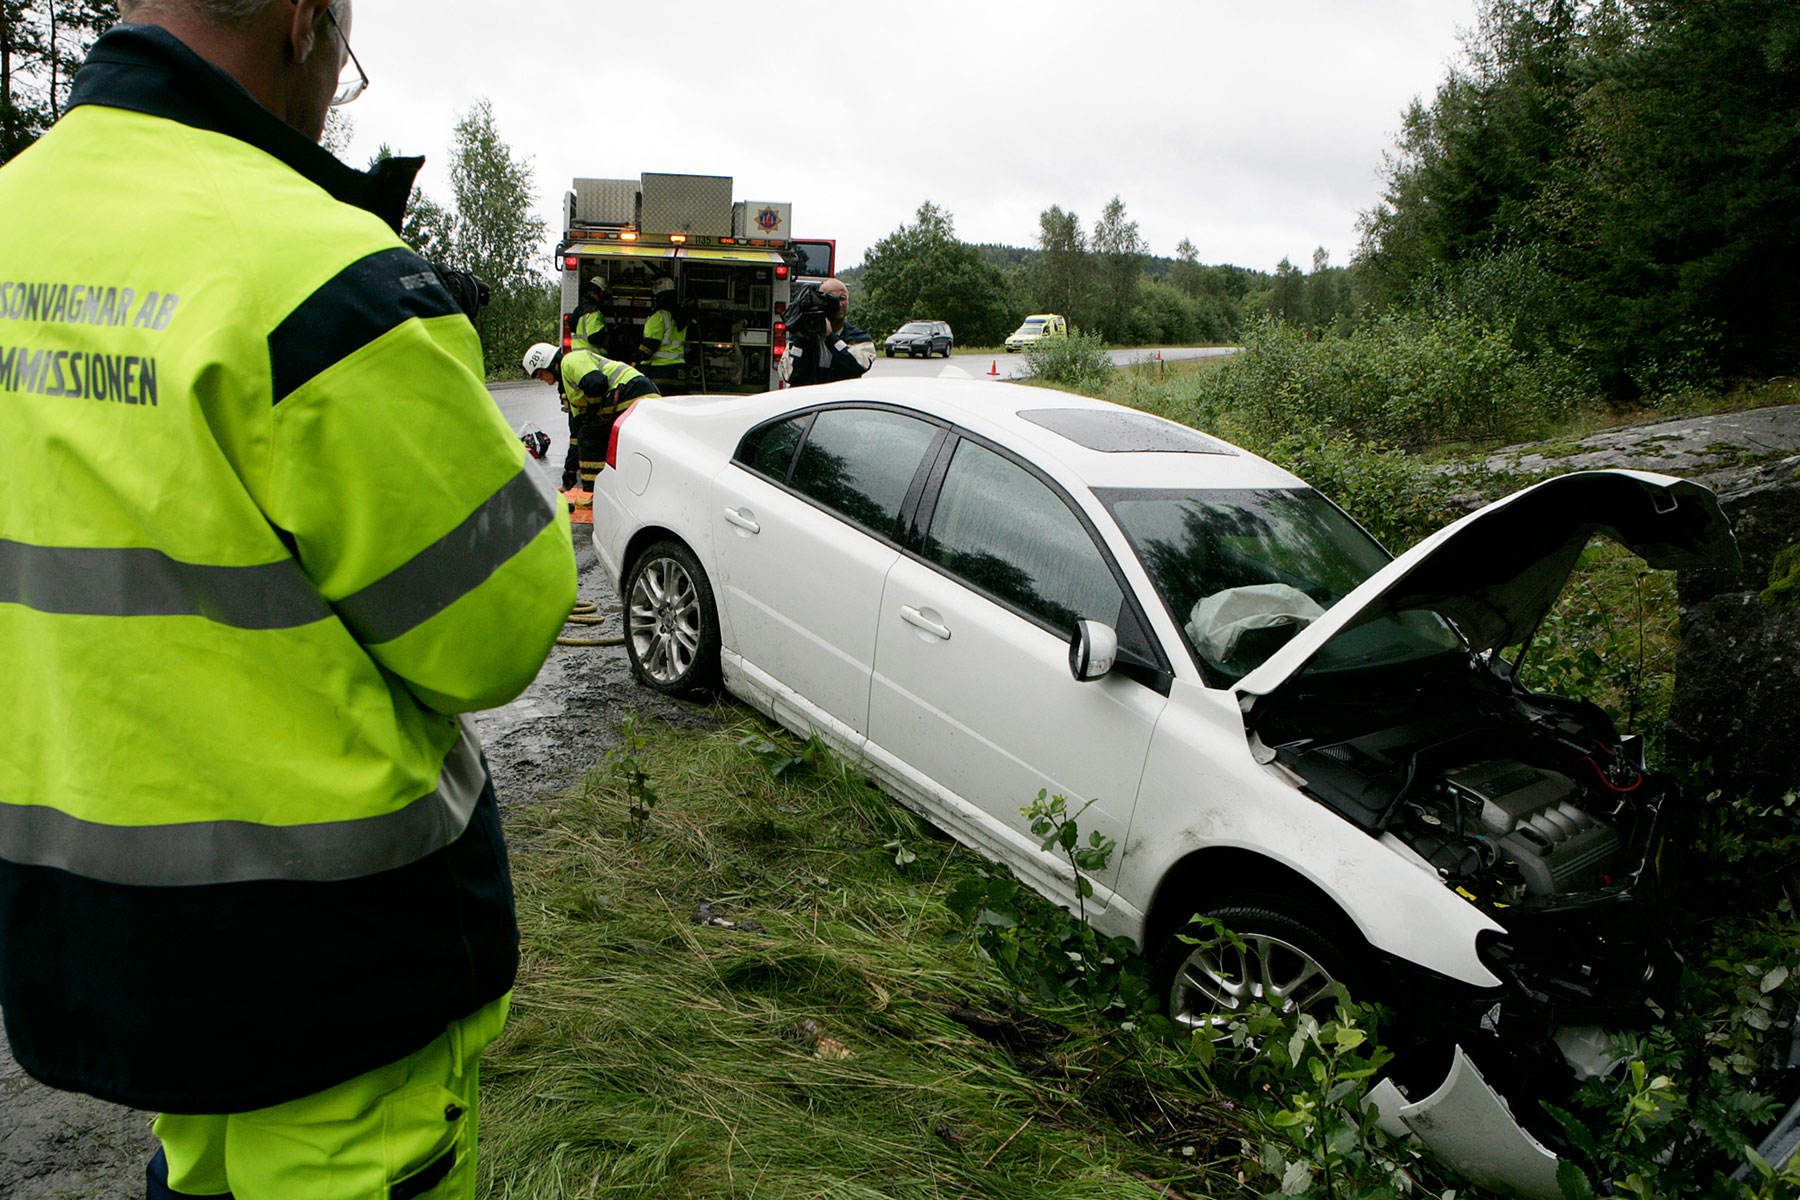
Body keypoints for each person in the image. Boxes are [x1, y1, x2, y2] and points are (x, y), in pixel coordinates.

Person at [0, 4, 578, 1199]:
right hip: (331, 978)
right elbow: (500, 632)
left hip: (94, 940)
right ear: (305, 24)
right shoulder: (324, 277)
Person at [525, 341, 659, 492]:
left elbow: (597, 383)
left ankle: (594, 493)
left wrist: (592, 410)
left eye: (540, 374)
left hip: (634, 392)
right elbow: (575, 433)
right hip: (635, 394)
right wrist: (569, 474)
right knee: (588, 434)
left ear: (549, 364)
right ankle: (610, 491)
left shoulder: (570, 361)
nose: (541, 379)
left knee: (590, 436)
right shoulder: (568, 386)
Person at [780, 277, 875, 387]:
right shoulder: (802, 337)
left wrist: (831, 338)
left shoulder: (859, 338)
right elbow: (789, 375)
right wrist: (800, 341)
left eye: (842, 298)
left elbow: (858, 366)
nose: (839, 304)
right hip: (808, 401)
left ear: (849, 301)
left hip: (839, 401)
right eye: (832, 299)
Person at [636, 280, 689, 393]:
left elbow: (650, 345)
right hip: (678, 372)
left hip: (659, 372)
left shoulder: (659, 317)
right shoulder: (681, 317)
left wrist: (635, 359)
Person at [571, 276, 607, 352]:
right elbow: (594, 338)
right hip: (591, 357)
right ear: (600, 293)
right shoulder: (593, 313)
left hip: (576, 355)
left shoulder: (579, 310)